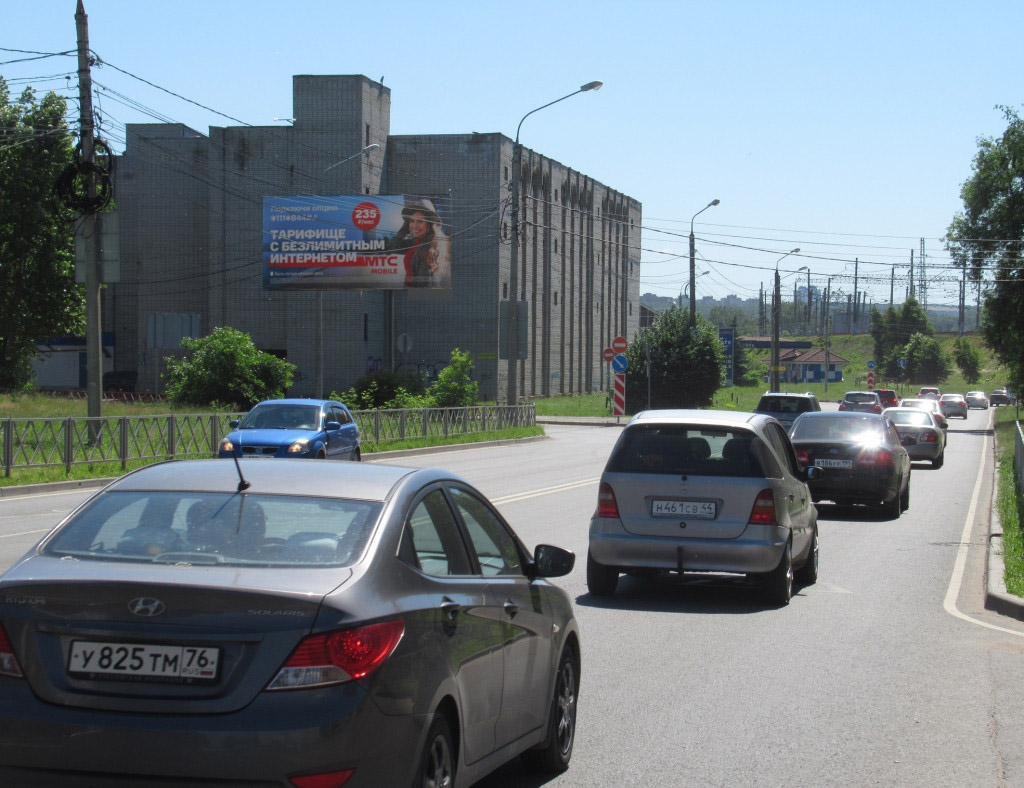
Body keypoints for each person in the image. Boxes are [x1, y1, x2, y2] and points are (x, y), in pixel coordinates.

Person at [390, 198, 450, 288]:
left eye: (420, 221)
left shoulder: (431, 248)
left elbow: (425, 285)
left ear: (430, 224)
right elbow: (394, 246)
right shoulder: (416, 242)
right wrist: (408, 223)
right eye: (412, 221)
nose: (414, 226)